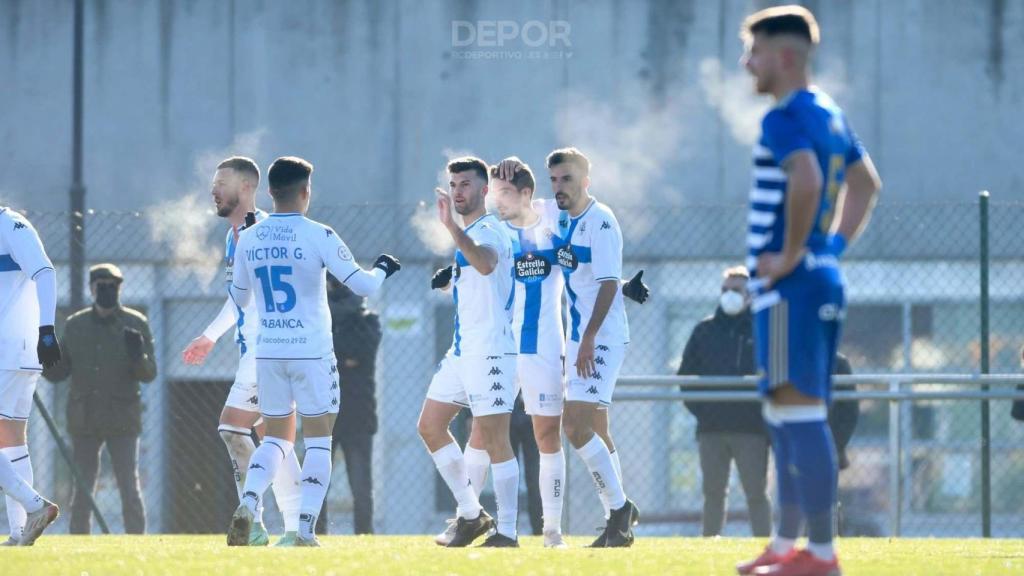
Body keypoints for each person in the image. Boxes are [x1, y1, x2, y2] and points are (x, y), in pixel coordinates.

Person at [429, 157, 649, 548]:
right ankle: (467, 516)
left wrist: (625, 285)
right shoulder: (494, 231)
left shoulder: (552, 224)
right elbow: (480, 276)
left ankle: (552, 531)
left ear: (528, 195)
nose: (500, 200)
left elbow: (588, 266)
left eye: (507, 192)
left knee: (550, 433)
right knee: (482, 430)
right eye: (496, 193)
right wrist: (451, 276)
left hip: (545, 346)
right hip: (500, 345)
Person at [734, 6, 882, 576]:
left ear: (786, 55)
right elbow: (866, 182)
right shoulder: (829, 113)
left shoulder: (786, 115)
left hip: (791, 286)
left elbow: (809, 179)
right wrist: (831, 247)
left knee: (798, 414)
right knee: (783, 413)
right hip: (813, 279)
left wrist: (794, 253)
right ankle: (787, 546)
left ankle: (819, 555)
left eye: (755, 51)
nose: (748, 63)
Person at [225, 156, 400, 547]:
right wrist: (385, 268)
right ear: (306, 191)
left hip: (269, 353)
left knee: (275, 440)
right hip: (312, 353)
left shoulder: (250, 236)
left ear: (269, 192)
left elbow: (238, 296)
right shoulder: (319, 233)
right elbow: (364, 287)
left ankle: (250, 503)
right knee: (318, 441)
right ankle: (304, 530)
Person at [181, 156, 303, 546]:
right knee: (274, 438)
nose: (213, 190)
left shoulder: (263, 233)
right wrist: (211, 335)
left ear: (247, 188)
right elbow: (240, 299)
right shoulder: (235, 236)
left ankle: (253, 522)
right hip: (257, 351)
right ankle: (297, 527)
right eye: (213, 183)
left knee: (233, 427)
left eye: (222, 183)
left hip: (270, 351)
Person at [416, 157, 520, 548]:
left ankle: (508, 531)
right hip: (462, 353)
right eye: (454, 184)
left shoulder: (489, 229)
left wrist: (451, 229)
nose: (458, 191)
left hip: (492, 353)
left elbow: (487, 263)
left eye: (466, 184)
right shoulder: (472, 231)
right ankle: (472, 514)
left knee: (495, 440)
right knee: (429, 425)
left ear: (484, 190)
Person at [548, 147, 638, 547]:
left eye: (566, 179)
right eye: (554, 180)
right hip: (581, 337)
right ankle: (618, 524)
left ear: (586, 181)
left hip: (598, 338)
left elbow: (607, 284)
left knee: (575, 426)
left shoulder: (600, 221)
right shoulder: (563, 219)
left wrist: (586, 340)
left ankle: (620, 510)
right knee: (597, 428)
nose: (559, 187)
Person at [43, 264, 156, 535]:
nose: (107, 290)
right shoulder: (76, 325)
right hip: (85, 418)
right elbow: (58, 373)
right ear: (92, 288)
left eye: (113, 286)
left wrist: (137, 355)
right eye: (102, 285)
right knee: (82, 489)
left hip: (122, 418)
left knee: (129, 487)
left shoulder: (135, 323)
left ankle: (137, 544)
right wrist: (45, 354)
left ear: (120, 288)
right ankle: (79, 543)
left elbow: (149, 374)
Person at [679, 266, 771, 538]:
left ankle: (764, 546)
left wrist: (761, 413)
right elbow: (686, 376)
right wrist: (703, 412)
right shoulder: (704, 331)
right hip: (711, 428)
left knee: (756, 493)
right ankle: (710, 543)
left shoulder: (763, 330)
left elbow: (775, 375)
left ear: (750, 295)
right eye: (726, 290)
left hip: (752, 429)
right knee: (713, 493)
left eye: (737, 290)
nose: (730, 295)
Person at [0, 206, 61, 546]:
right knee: (10, 438)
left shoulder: (9, 223)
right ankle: (21, 532)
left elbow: (45, 271)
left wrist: (47, 330)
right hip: (16, 351)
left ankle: (34, 505)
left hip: (10, 348)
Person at [315, 276, 382, 535]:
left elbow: (359, 350)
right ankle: (314, 531)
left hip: (358, 414)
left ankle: (364, 534)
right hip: (324, 411)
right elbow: (326, 352)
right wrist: (344, 357)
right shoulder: (320, 320)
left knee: (361, 484)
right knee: (318, 480)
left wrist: (336, 355)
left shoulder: (368, 320)